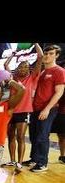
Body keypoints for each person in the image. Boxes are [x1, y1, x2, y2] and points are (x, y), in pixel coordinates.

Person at [2, 43, 43, 172]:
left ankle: (19, 162)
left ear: (29, 69)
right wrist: (13, 54)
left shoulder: (32, 77)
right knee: (11, 136)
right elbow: (5, 65)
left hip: (24, 111)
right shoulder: (13, 77)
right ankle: (12, 160)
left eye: (25, 67)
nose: (22, 68)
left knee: (20, 136)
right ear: (17, 68)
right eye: (20, 66)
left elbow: (40, 56)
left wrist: (36, 43)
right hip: (11, 110)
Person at [25, 44, 65, 172]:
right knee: (34, 135)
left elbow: (59, 92)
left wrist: (47, 109)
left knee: (42, 135)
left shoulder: (59, 71)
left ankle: (42, 163)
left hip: (48, 108)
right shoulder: (43, 72)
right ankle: (35, 158)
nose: (47, 56)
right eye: (46, 54)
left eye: (51, 54)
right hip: (36, 108)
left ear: (57, 56)